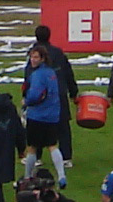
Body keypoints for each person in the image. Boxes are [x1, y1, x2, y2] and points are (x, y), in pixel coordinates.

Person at [30, 24, 80, 170]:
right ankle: (66, 157)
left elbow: (29, 75)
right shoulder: (58, 52)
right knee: (63, 126)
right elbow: (68, 72)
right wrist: (73, 91)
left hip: (40, 94)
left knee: (37, 124)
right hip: (59, 93)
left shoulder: (34, 53)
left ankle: (37, 156)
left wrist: (27, 97)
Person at [19, 46, 67, 187]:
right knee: (52, 145)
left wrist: (26, 102)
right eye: (31, 57)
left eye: (35, 57)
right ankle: (62, 175)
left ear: (42, 58)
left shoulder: (37, 75)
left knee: (32, 147)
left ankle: (27, 177)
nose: (32, 60)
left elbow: (35, 95)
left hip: (37, 116)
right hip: (52, 115)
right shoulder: (52, 73)